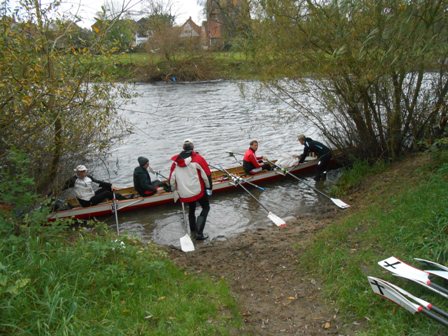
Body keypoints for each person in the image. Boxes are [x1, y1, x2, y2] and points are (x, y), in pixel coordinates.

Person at [169, 139, 212, 240]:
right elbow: (206, 175)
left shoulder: (175, 163)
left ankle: (193, 230)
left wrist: (174, 191)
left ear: (183, 148)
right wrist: (209, 187)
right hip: (198, 191)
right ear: (193, 148)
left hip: (184, 193)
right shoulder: (198, 159)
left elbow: (171, 180)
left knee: (191, 210)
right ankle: (199, 233)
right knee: (206, 207)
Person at [63, 165, 129, 207]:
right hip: (86, 202)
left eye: (84, 171)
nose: (83, 173)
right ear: (77, 172)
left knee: (107, 188)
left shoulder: (88, 177)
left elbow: (98, 182)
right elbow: (62, 188)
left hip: (92, 196)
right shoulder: (73, 180)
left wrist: (111, 185)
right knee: (106, 193)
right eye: (81, 172)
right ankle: (125, 202)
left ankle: (118, 199)